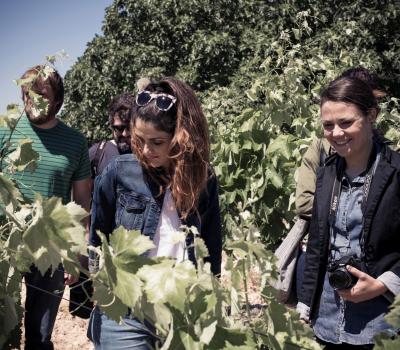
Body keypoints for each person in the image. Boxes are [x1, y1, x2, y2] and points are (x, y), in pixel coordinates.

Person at [87, 77, 222, 349]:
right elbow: (98, 236)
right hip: (126, 308)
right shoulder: (119, 172)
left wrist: (213, 303)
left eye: (157, 142)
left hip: (183, 307)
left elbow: (211, 245)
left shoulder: (203, 179)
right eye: (140, 139)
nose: (146, 150)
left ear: (182, 137)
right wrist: (99, 284)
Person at [296, 75, 400, 349]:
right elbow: (318, 243)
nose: (337, 133)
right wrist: (306, 304)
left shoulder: (395, 172)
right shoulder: (327, 172)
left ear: (371, 115)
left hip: (381, 318)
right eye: (328, 125)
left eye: (346, 122)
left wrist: (383, 284)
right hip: (328, 317)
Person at [0, 65, 91, 349]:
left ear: (58, 102)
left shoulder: (75, 142)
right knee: (4, 333)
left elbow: (81, 203)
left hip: (51, 248)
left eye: (41, 95)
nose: (33, 100)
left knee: (40, 336)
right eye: (29, 94)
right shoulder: (5, 130)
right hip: (6, 245)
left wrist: (75, 253)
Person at [89, 93, 135, 177]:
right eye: (119, 128)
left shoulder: (149, 154)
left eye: (129, 127)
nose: (125, 133)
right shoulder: (96, 154)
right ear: (112, 126)